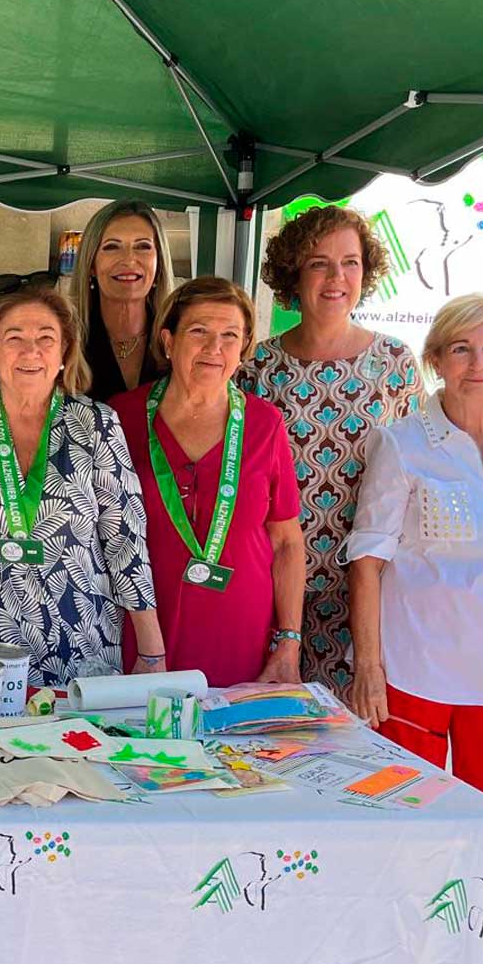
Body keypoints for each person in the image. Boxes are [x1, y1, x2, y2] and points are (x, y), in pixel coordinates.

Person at [345, 294, 483, 853]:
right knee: (402, 823)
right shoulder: (401, 443)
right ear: (436, 360)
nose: (478, 363)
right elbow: (367, 562)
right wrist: (368, 666)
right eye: (461, 349)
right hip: (412, 668)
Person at [0, 278, 163, 686]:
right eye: (14, 338)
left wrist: (152, 652)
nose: (31, 351)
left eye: (46, 338)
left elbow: (126, 539)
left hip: (84, 650)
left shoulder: (96, 424)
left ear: (64, 353)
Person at [240, 204, 423, 691]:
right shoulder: (257, 365)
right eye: (319, 263)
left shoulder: (396, 363)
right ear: (293, 274)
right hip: (273, 584)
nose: (336, 277)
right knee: (268, 724)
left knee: (351, 729)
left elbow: (417, 479)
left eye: (350, 262)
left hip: (364, 590)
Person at [112, 277, 304, 685]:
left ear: (244, 347)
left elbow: (287, 541)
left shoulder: (265, 424)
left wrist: (289, 641)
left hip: (240, 634)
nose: (214, 347)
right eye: (199, 331)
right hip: (144, 633)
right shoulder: (120, 418)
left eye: (230, 335)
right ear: (169, 340)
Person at [68, 199, 177, 398]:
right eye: (112, 247)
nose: (129, 260)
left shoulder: (178, 340)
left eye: (143, 246)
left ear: (159, 263)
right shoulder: (65, 339)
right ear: (91, 265)